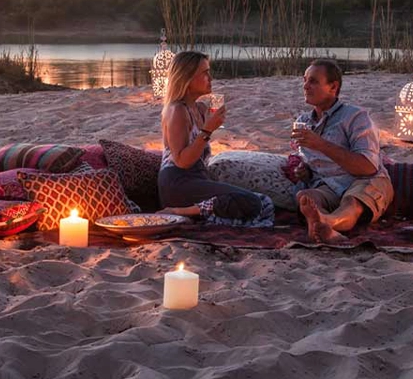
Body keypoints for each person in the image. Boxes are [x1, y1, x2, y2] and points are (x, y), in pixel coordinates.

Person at [158, 51, 271, 225]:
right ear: (187, 79)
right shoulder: (177, 111)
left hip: (198, 178)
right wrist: (207, 130)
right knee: (251, 203)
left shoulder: (201, 108)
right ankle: (179, 212)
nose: (210, 78)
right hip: (178, 182)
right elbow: (182, 161)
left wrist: (210, 127)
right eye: (204, 73)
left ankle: (199, 213)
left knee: (264, 203)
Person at [291, 59, 393, 243]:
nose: (305, 86)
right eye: (305, 80)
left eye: (313, 81)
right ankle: (323, 227)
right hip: (328, 184)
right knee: (306, 197)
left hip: (362, 180)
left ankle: (326, 223)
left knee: (351, 202)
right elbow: (310, 162)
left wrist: (321, 144)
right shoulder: (304, 121)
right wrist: (304, 170)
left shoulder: (355, 117)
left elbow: (368, 167)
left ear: (333, 87)